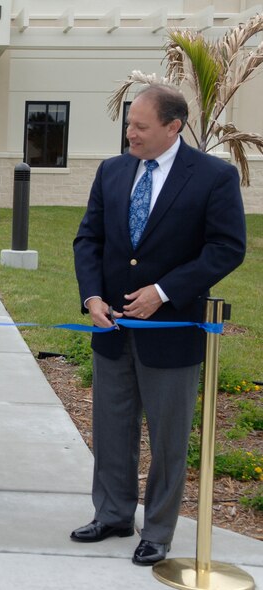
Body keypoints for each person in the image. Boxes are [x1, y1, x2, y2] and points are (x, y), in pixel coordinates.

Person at [71, 84, 246, 565]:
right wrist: (91, 298)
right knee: (111, 428)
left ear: (174, 127)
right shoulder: (112, 170)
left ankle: (159, 530)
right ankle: (111, 514)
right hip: (111, 331)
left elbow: (227, 247)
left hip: (172, 333)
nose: (130, 134)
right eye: (128, 124)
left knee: (168, 438)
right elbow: (88, 239)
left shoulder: (213, 177)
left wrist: (164, 291)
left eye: (140, 127)